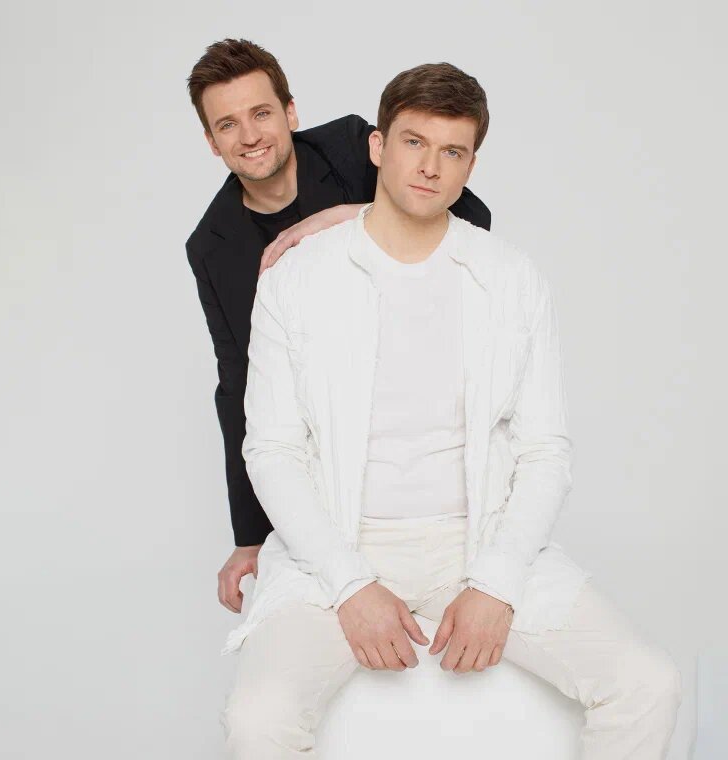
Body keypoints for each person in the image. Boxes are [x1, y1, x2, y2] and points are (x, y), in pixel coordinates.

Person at [221, 61, 683, 759]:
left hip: (476, 537)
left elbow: (545, 450)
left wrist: (496, 583)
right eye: (413, 143)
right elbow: (272, 450)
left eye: (453, 151)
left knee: (648, 685)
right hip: (336, 542)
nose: (430, 167)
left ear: (470, 164)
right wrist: (350, 584)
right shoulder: (299, 280)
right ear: (377, 146)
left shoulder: (511, 278)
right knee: (257, 721)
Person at [184, 39, 492, 616]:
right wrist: (248, 536)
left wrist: (351, 216)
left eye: (261, 113)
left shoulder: (351, 148)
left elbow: (473, 218)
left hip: (433, 428)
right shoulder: (210, 246)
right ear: (211, 140)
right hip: (329, 462)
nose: (249, 135)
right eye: (227, 124)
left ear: (290, 112)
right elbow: (239, 382)